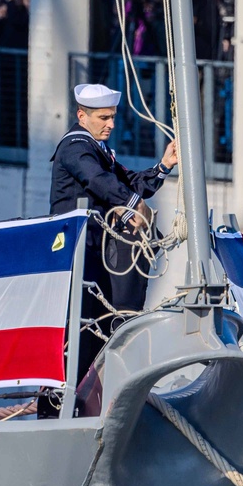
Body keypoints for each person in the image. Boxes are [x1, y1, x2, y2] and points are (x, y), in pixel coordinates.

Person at [50, 82, 177, 383]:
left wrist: (163, 167)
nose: (111, 125)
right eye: (103, 118)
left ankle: (94, 388)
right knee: (82, 328)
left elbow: (126, 181)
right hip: (78, 251)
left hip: (97, 250)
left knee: (102, 324)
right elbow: (98, 181)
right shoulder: (75, 147)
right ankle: (65, 397)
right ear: (82, 116)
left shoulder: (97, 148)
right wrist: (135, 205)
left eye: (113, 117)